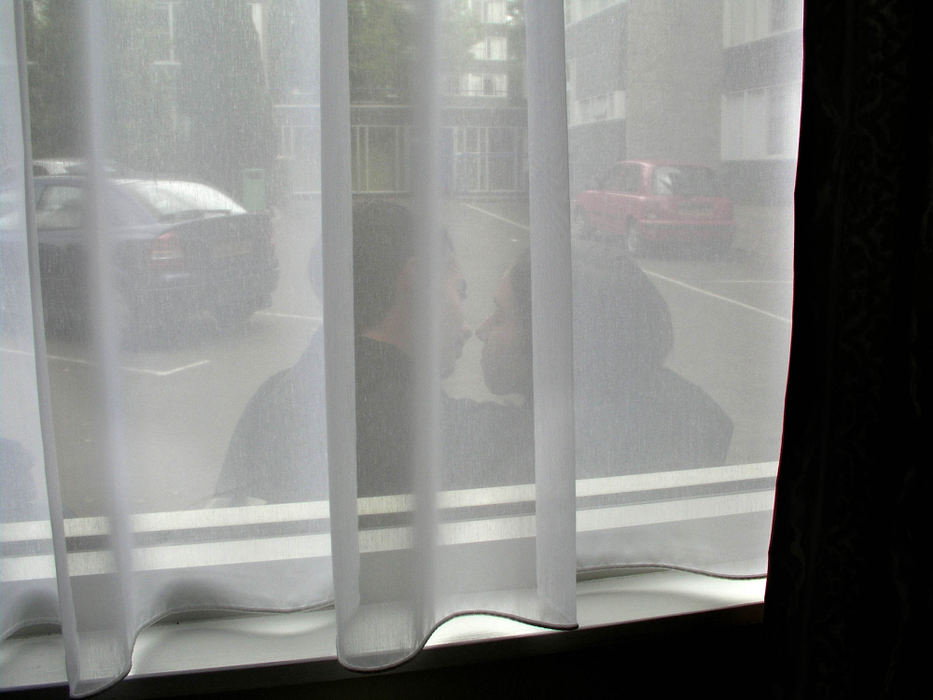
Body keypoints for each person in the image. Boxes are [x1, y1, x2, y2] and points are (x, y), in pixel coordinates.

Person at [214, 199, 494, 504]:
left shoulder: (270, 400)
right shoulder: (442, 435)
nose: (470, 328)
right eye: (460, 291)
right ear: (418, 281)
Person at [475, 241, 733, 475]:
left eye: (499, 317)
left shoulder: (529, 462)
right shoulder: (695, 422)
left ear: (548, 345)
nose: (480, 330)